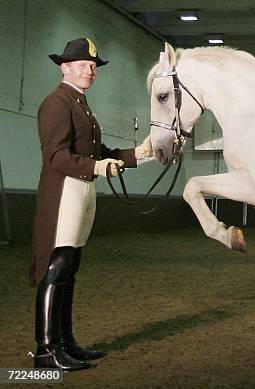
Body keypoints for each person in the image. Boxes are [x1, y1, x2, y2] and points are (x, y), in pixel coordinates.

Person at [29, 37, 153, 371]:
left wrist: (140, 153)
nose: (91, 70)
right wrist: (96, 167)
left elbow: (101, 153)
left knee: (69, 268)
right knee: (55, 268)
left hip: (83, 189)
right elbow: (55, 155)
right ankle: (46, 350)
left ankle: (65, 343)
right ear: (64, 67)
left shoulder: (80, 104)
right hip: (65, 189)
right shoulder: (57, 102)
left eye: (94, 66)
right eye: (84, 65)